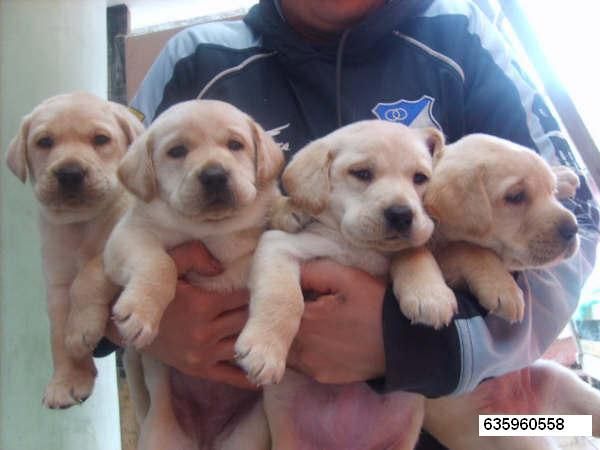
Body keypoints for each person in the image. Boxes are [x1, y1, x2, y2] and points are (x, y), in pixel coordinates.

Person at [108, 0, 599, 446]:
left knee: (529, 421)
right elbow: (98, 225)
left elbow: (579, 225)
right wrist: (136, 318)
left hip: (457, 400)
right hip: (265, 409)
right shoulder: (196, 59)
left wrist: (429, 348)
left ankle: (561, 417)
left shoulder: (461, 33)